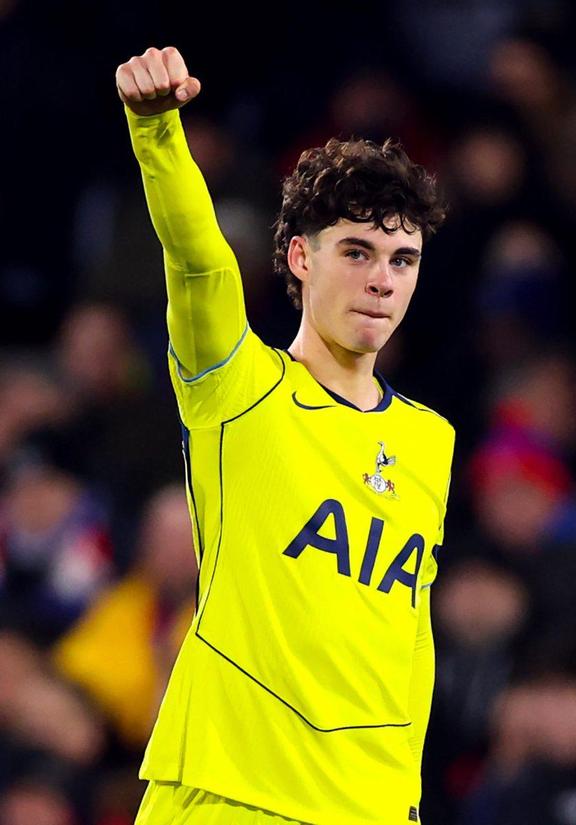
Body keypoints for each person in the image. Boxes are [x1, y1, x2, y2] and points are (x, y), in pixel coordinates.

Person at [115, 45, 455, 825]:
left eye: (403, 259)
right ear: (301, 257)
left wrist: (404, 795)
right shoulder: (238, 387)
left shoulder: (429, 439)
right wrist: (156, 132)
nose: (382, 279)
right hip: (230, 792)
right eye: (357, 251)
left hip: (367, 808)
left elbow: (409, 634)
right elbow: (198, 261)